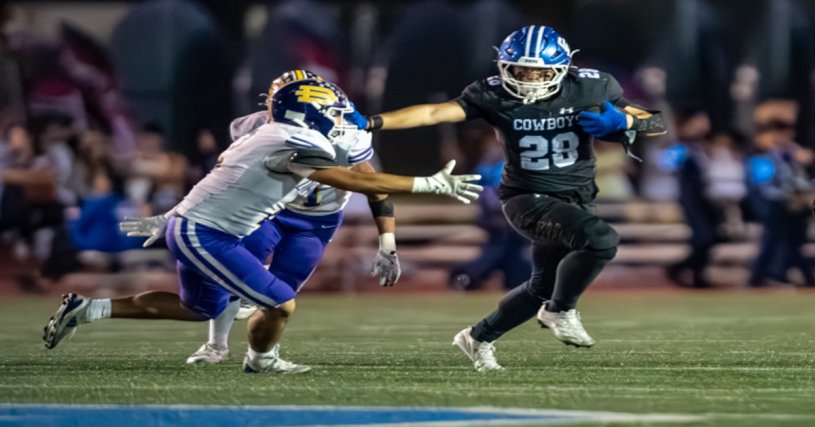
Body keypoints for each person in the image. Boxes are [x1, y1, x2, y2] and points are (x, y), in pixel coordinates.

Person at [42, 79, 483, 375]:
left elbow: (219, 175)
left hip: (210, 226)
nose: (339, 114)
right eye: (328, 109)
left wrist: (172, 215)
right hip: (212, 233)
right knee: (280, 303)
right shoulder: (292, 139)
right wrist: (428, 183)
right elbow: (349, 178)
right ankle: (260, 359)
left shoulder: (277, 133)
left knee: (199, 305)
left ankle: (89, 309)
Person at [350, 25, 665, 371]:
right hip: (526, 198)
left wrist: (624, 121)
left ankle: (478, 337)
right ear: (503, 65)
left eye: (539, 71)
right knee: (602, 239)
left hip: (575, 197)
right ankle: (561, 310)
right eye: (521, 70)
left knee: (541, 287)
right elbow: (434, 113)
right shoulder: (492, 94)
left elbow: (654, 122)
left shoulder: (591, 86)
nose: (529, 78)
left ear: (562, 67)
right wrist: (373, 122)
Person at [182, 70, 402, 365]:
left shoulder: (346, 130)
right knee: (238, 269)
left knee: (282, 291)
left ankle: (262, 355)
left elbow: (376, 189)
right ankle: (216, 345)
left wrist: (387, 244)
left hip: (316, 222)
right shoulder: (256, 125)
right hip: (271, 211)